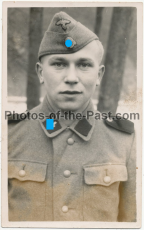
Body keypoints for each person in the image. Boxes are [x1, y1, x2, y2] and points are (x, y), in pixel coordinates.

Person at [8, 11, 136, 222]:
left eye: (84, 65)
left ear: (99, 75)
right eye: (59, 64)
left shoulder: (124, 142)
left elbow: (132, 221)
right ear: (40, 72)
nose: (71, 78)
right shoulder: (9, 135)